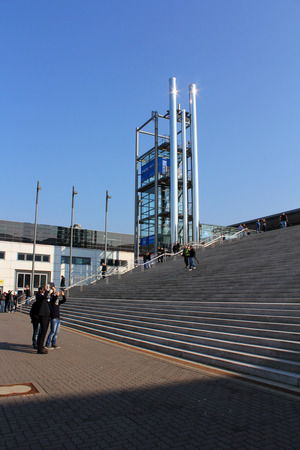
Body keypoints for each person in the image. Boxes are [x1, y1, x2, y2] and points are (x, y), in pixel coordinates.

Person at [35, 285, 50, 354]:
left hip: (46, 315)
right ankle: (40, 347)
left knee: (44, 331)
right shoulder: (38, 295)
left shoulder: (43, 297)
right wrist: (46, 290)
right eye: (42, 290)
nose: (43, 291)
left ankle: (41, 345)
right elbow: (43, 297)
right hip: (42, 315)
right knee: (42, 331)